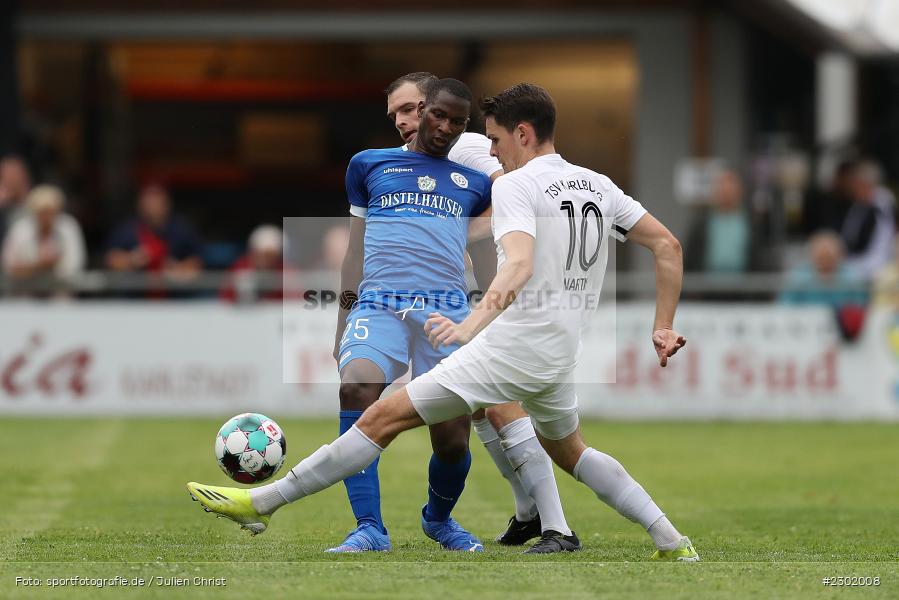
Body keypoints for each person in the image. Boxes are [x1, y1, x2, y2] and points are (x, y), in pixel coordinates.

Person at [188, 83, 699, 561]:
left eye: (496, 139)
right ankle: (670, 538)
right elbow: (667, 246)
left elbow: (517, 266)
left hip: (512, 348)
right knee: (571, 451)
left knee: (380, 420)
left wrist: (469, 327)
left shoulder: (518, 185)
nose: (492, 152)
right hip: (562, 352)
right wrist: (663, 323)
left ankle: (259, 505)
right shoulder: (598, 184)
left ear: (522, 133)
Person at [369, 71, 572, 551]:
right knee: (479, 410)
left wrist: (458, 234)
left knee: (498, 404)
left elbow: (515, 191)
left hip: (491, 290)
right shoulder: (405, 161)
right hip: (456, 295)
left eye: (409, 109)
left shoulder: (466, 148)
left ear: (433, 107)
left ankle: (555, 525)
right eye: (395, 113)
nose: (402, 121)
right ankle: (529, 512)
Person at [322, 77, 496, 553]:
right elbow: (353, 255)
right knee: (356, 384)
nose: (444, 128)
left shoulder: (475, 185)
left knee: (454, 437)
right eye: (436, 115)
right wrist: (341, 322)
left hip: (446, 313)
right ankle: (369, 529)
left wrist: (488, 319)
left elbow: (486, 265)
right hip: (379, 305)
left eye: (457, 122)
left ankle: (438, 520)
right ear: (422, 112)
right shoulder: (368, 165)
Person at [105, 183, 203, 292]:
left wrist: (178, 269)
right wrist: (133, 259)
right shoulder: (126, 230)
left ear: (166, 203)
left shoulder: (182, 229)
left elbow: (197, 262)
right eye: (147, 201)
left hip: (175, 297)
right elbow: (111, 261)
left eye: (156, 200)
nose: (151, 206)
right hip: (134, 297)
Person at [1, 184, 86, 297]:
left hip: (61, 299)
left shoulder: (68, 227)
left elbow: (74, 266)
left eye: (50, 212)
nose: (46, 218)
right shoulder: (20, 230)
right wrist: (40, 265)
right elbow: (8, 267)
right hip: (24, 299)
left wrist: (30, 269)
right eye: (42, 212)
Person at [839, 160, 895, 280]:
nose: (853, 189)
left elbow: (883, 241)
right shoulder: (857, 205)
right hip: (853, 261)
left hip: (875, 264)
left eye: (856, 185)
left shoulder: (882, 203)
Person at [220, 225, 289, 303]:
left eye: (271, 256)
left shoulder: (285, 271)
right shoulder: (240, 268)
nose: (265, 260)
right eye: (262, 254)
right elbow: (226, 299)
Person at [0, 154, 33, 247]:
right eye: (4, 176)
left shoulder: (36, 202)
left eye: (13, 175)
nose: (8, 181)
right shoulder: (3, 207)